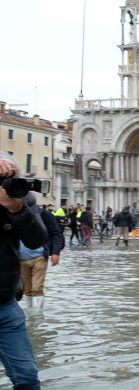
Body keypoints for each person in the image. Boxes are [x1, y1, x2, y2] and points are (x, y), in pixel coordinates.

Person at [0, 152, 48, 388]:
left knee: (27, 376)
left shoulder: (19, 198)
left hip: (5, 305)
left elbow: (36, 239)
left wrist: (16, 209)